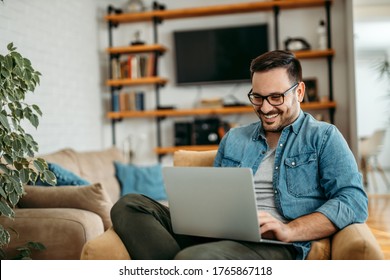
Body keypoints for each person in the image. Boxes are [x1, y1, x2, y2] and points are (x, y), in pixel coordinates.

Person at [111, 50, 368, 260]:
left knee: (195, 259)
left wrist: (289, 230)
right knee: (130, 204)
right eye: (257, 97)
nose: (265, 107)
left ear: (299, 92)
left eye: (276, 97)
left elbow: (353, 200)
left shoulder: (323, 137)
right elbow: (215, 198)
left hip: (273, 244)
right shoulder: (234, 138)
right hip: (219, 235)